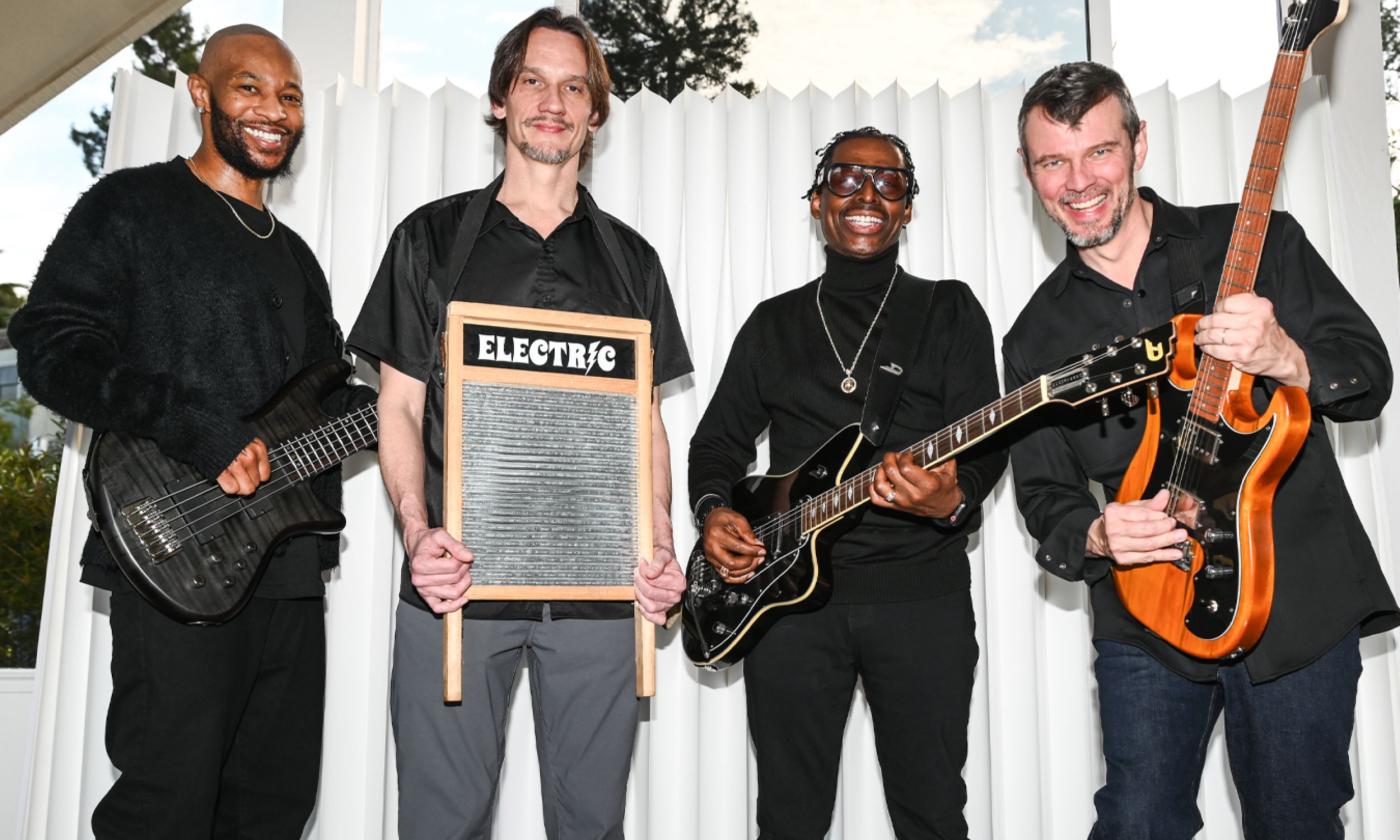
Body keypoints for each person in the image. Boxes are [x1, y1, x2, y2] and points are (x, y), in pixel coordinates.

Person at [1002, 61, 1399, 840]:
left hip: (1296, 601)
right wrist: (1093, 533)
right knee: (1137, 823)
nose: (1078, 181)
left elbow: (1369, 376)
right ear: (1029, 173)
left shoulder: (1256, 242)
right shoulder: (1033, 338)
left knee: (1296, 824)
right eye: (1053, 161)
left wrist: (1290, 358)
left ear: (1139, 145)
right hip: (1147, 614)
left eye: (1099, 152)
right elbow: (1044, 495)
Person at [8, 25, 362, 839]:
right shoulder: (132, 207)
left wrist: (424, 404)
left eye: (290, 95)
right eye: (249, 88)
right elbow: (50, 347)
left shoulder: (299, 258)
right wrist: (195, 429)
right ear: (201, 95)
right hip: (172, 557)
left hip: (289, 570)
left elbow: (328, 405)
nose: (273, 109)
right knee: (166, 804)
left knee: (274, 807)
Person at [345, 9, 691, 839]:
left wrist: (661, 544)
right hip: (456, 585)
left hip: (601, 599)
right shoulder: (429, 239)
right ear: (501, 99)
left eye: (575, 86)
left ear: (595, 114)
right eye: (533, 80)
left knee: (592, 826)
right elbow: (397, 403)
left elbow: (643, 424)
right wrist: (416, 532)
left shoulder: (630, 260)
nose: (553, 101)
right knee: (442, 824)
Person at [687, 127, 1006, 840]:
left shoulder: (950, 310)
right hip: (788, 607)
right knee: (789, 819)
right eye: (846, 179)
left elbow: (987, 447)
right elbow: (716, 443)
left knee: (930, 813)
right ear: (815, 202)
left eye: (889, 183)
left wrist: (951, 499)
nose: (867, 194)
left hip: (922, 602)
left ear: (908, 209)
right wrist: (713, 513)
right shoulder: (772, 324)